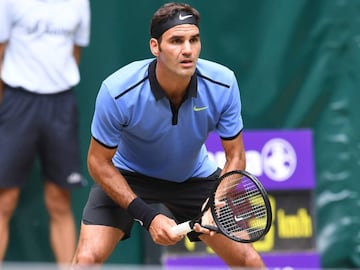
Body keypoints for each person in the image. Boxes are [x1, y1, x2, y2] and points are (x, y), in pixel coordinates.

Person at [72, 2, 265, 268]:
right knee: (85, 259)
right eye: (176, 41)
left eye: (193, 40)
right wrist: (148, 217)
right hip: (129, 175)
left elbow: (236, 156)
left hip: (193, 177)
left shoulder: (223, 84)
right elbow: (97, 162)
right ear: (155, 47)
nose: (187, 50)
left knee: (248, 260)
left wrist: (215, 203)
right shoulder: (118, 91)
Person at [0, 0, 90, 264]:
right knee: (4, 200)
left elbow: (75, 51)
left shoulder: (79, 3)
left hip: (60, 105)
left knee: (60, 202)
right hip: (18, 102)